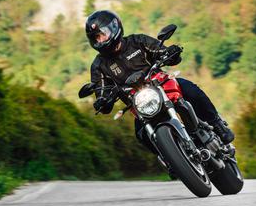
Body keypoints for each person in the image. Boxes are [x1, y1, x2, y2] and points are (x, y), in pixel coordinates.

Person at [86, 9, 235, 150]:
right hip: (139, 104)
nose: (100, 39)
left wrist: (170, 53)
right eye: (96, 37)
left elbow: (161, 51)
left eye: (102, 34)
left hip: (163, 85)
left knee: (190, 89)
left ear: (114, 27)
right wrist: (102, 101)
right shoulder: (99, 65)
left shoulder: (137, 41)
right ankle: (169, 159)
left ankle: (216, 123)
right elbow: (102, 91)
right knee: (142, 134)